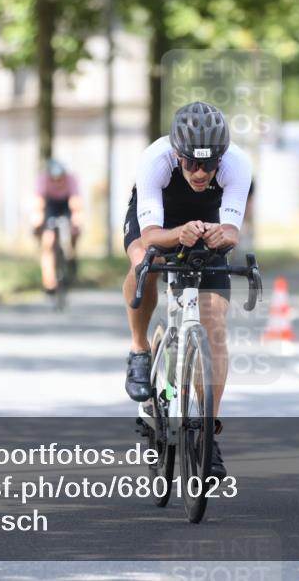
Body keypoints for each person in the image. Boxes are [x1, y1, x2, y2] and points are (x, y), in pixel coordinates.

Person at [121, 101, 252, 479]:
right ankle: (139, 347)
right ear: (176, 154)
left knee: (213, 324)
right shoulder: (155, 160)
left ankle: (207, 432)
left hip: (207, 223)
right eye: (191, 163)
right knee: (145, 262)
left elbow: (231, 232)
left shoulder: (238, 164)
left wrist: (218, 236)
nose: (199, 172)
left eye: (209, 164)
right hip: (161, 219)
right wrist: (178, 235)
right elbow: (149, 236)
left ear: (221, 158)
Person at [31, 158, 82, 295]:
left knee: (75, 229)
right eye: (54, 179)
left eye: (61, 179)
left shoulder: (71, 179)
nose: (58, 182)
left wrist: (75, 222)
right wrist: (37, 221)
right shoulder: (43, 179)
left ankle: (71, 254)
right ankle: (49, 281)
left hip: (65, 204)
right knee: (48, 242)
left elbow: (75, 202)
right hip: (51, 205)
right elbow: (39, 202)